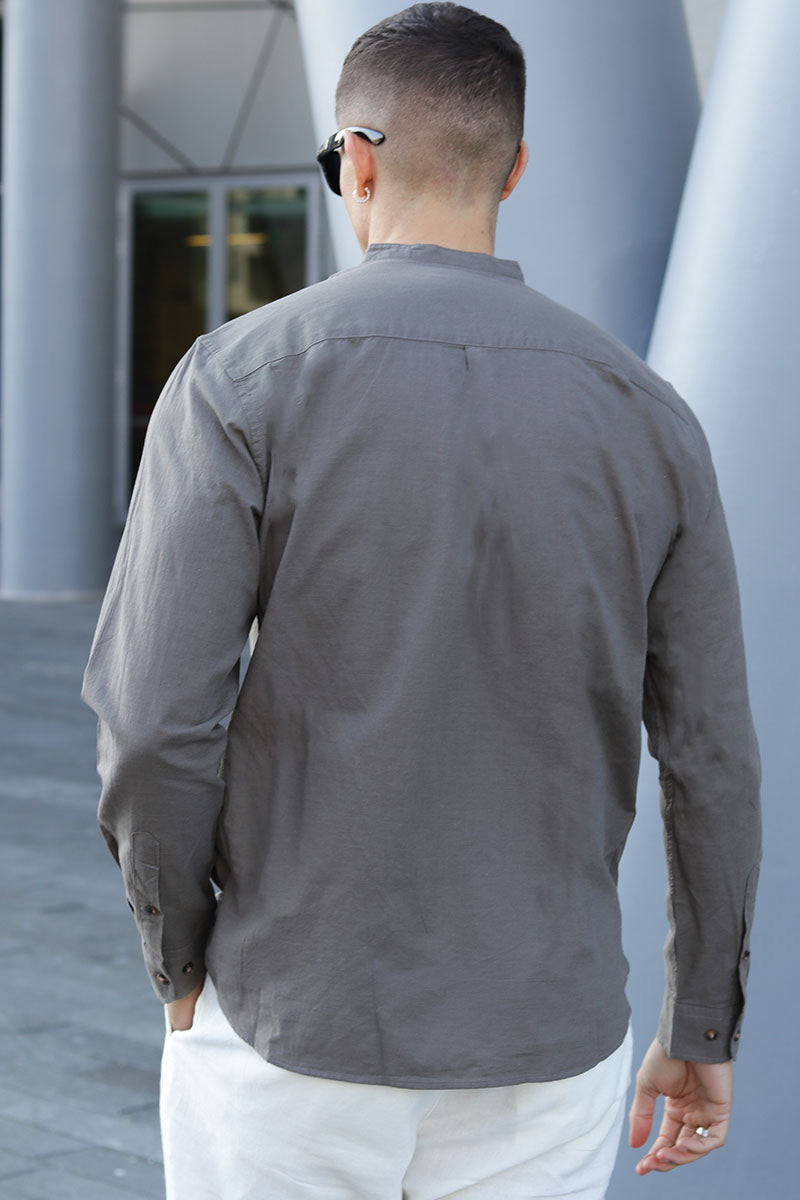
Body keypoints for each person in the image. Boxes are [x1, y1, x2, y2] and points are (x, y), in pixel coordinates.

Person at [82, 4, 761, 1197]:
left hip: (288, 1020)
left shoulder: (239, 381)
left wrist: (176, 953)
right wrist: (700, 1020)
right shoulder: (648, 416)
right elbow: (709, 757)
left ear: (355, 159)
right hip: (545, 1042)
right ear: (514, 168)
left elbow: (152, 725)